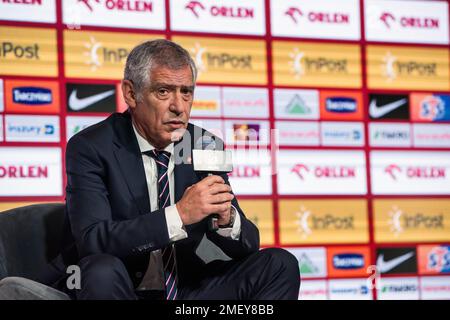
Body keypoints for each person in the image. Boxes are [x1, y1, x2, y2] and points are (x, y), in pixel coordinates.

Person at [42, 39, 300, 300]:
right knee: (101, 270)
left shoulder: (204, 145)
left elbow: (246, 245)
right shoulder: (91, 147)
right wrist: (179, 215)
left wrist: (228, 221)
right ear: (131, 94)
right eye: (164, 91)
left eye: (186, 92)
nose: (179, 106)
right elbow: (93, 240)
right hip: (121, 287)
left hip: (186, 290)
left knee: (279, 264)